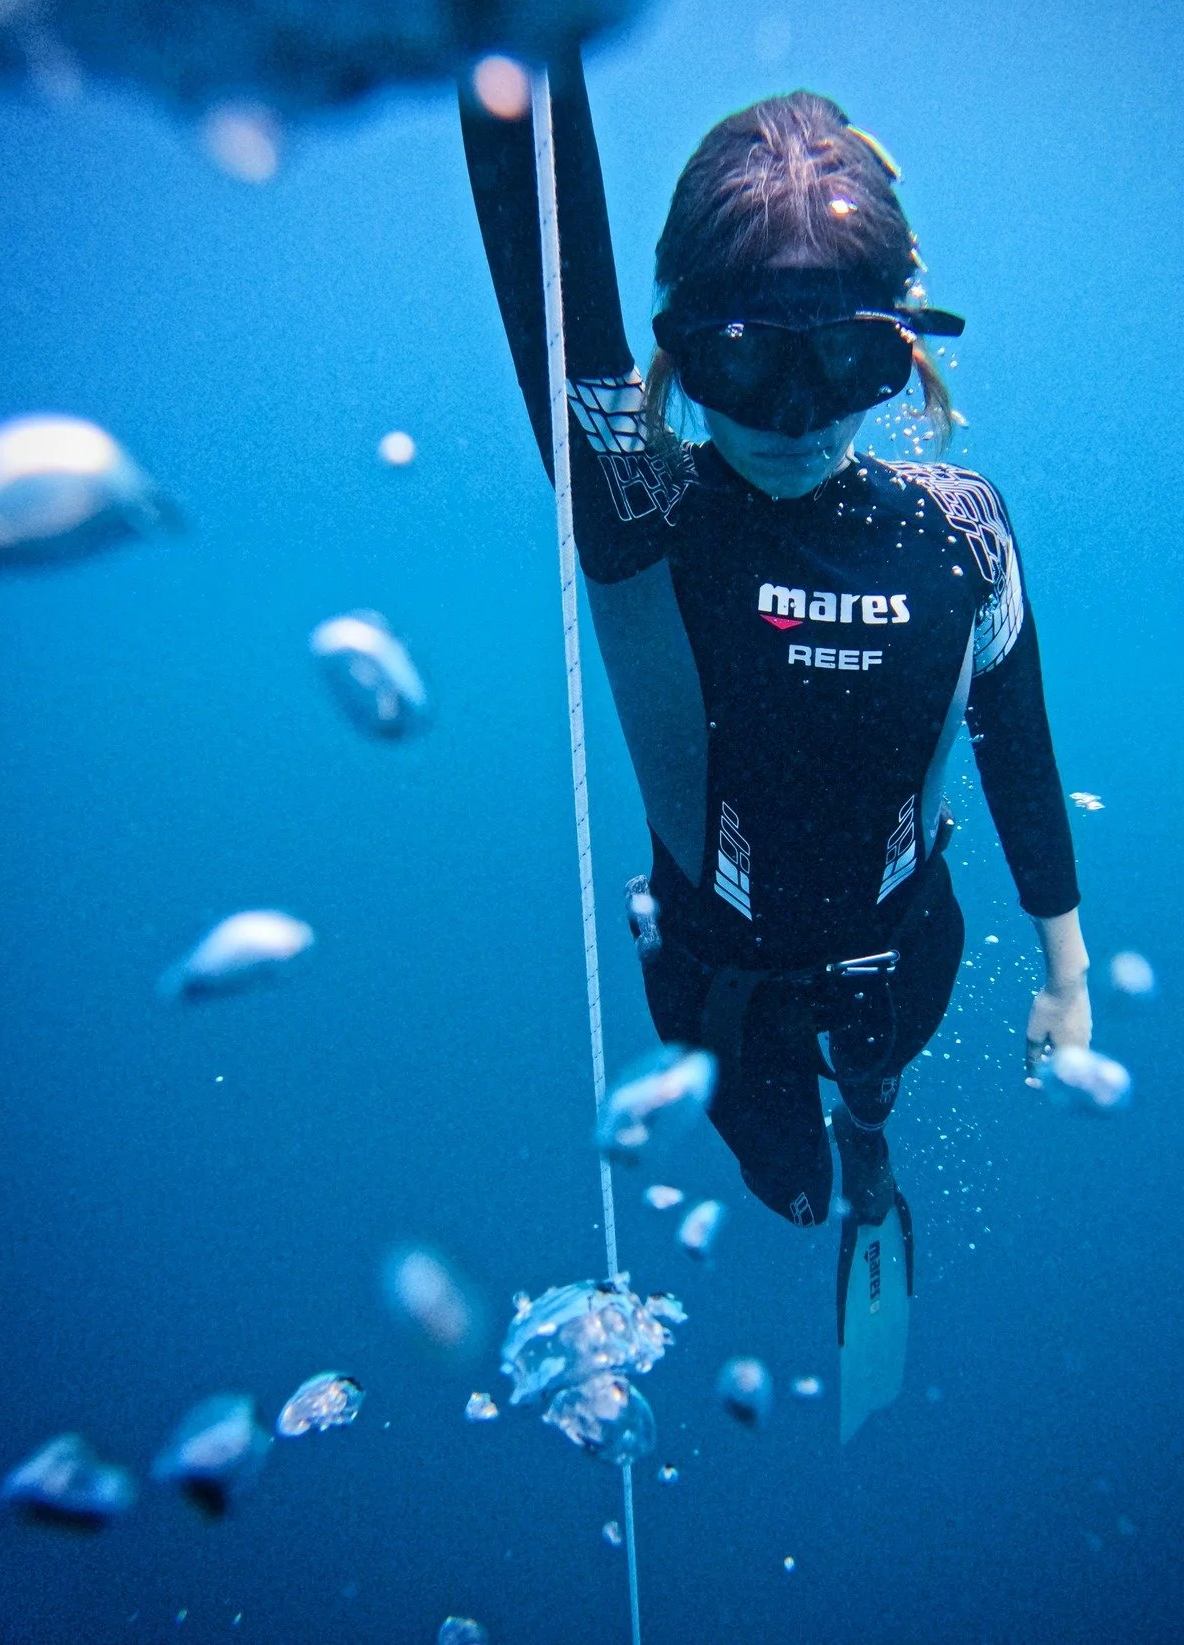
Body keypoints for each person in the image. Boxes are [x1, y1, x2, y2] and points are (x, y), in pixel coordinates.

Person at [461, 54, 1091, 1398]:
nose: (798, 418)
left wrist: (1069, 967)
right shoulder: (642, 506)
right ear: (680, 356)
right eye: (747, 363)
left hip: (906, 953)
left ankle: (873, 1137)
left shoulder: (964, 528)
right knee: (786, 1190)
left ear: (902, 349)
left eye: (848, 359)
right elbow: (545, 254)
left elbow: (1019, 743)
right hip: (720, 985)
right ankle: (842, 1160)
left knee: (872, 1092)